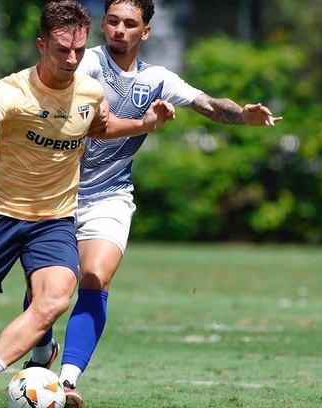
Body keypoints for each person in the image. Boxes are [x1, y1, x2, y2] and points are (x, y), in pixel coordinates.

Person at [21, 1, 283, 406]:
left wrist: (243, 116)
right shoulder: (84, 63)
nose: (119, 30)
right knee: (46, 292)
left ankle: (68, 381)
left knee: (94, 277)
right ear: (102, 26)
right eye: (112, 21)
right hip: (54, 191)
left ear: (145, 32)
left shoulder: (158, 79)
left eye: (130, 24)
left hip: (109, 196)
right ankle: (42, 351)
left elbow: (210, 105)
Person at [0, 1, 174, 407]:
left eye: (79, 50)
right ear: (42, 46)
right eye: (62, 50)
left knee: (57, 297)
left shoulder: (90, 91)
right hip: (1, 213)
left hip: (55, 217)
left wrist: (146, 124)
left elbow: (103, 126)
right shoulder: (13, 90)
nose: (73, 59)